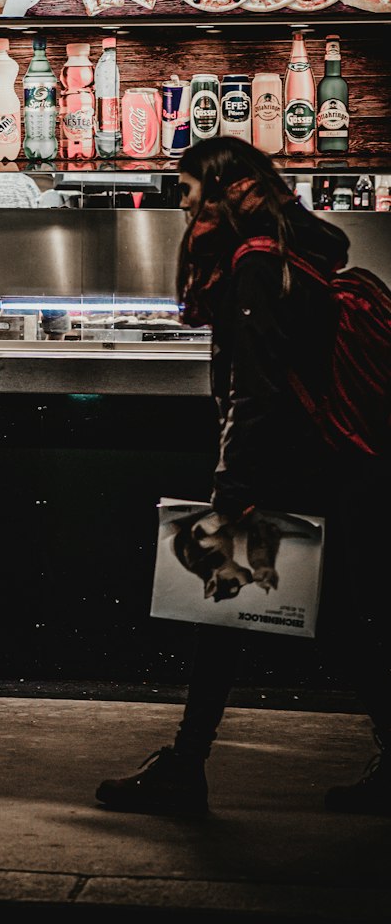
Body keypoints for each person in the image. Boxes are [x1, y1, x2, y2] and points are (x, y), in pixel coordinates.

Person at [95, 137, 391, 818]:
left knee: (227, 607)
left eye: (191, 190)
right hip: (325, 462)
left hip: (285, 467)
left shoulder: (254, 263)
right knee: (335, 618)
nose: (184, 205)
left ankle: (186, 766)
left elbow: (253, 387)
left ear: (229, 190)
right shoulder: (291, 250)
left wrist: (232, 489)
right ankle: (187, 762)